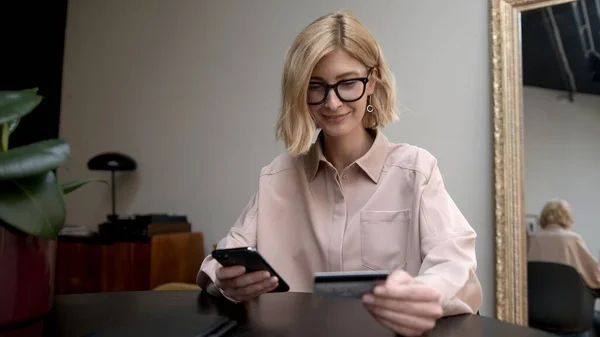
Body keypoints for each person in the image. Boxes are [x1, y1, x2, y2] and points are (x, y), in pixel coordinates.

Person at [197, 10, 482, 336]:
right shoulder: (277, 177)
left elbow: (455, 267)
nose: (332, 103)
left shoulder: (416, 171)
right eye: (316, 87)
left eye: (347, 83)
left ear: (372, 82)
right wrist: (224, 280)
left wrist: (427, 293)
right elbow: (220, 262)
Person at [528, 199, 600, 337]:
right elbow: (595, 274)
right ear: (566, 217)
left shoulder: (531, 240)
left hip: (535, 317)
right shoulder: (572, 240)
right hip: (571, 319)